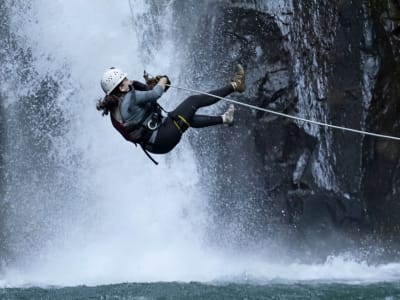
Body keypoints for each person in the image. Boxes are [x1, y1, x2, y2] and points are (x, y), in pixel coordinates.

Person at [96, 64, 246, 163]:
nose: (129, 81)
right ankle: (236, 85)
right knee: (194, 100)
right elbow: (156, 94)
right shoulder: (130, 98)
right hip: (163, 135)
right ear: (121, 88)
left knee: (186, 119)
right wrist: (163, 79)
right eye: (125, 80)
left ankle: (225, 119)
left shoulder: (115, 111)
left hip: (156, 146)